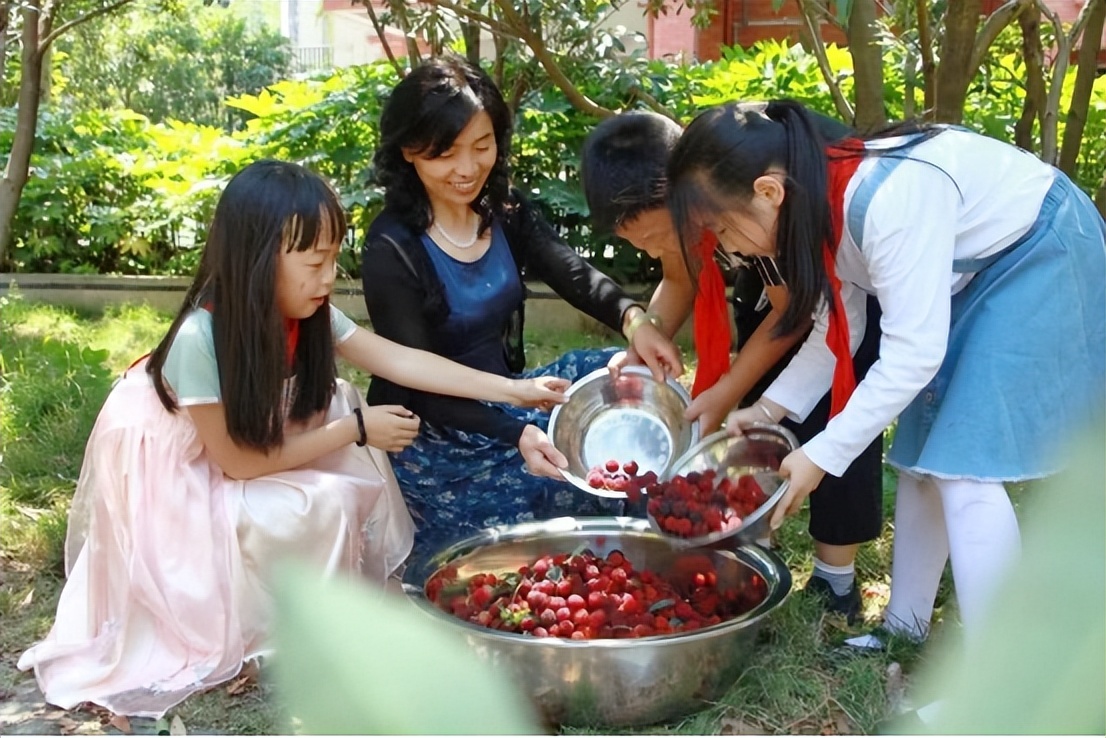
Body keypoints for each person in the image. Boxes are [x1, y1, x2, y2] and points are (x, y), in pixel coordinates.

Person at [17, 159, 568, 718]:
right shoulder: (199, 339)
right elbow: (236, 463)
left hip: (248, 435)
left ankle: (318, 607)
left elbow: (399, 360)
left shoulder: (308, 314)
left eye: (332, 259)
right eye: (314, 262)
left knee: (341, 405)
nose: (328, 278)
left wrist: (515, 390)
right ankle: (277, 624)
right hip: (183, 464)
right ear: (258, 259)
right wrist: (353, 431)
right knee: (326, 481)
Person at [664, 100, 1105, 649]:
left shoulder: (888, 202)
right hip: (979, 276)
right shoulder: (819, 204)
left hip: (1042, 252)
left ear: (768, 192)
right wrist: (767, 410)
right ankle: (905, 629)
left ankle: (1000, 677)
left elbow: (912, 356)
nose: (728, 248)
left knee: (965, 472)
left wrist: (823, 454)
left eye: (723, 229)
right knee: (924, 465)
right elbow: (837, 331)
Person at [362, 56, 682, 558]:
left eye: (482, 147)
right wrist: (517, 432)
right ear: (409, 151)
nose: (467, 169)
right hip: (441, 436)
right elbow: (416, 386)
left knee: (623, 376)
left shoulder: (501, 209)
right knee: (533, 517)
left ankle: (656, 535)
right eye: (445, 153)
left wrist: (633, 318)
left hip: (511, 399)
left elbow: (570, 271)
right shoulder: (391, 247)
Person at [580, 109, 883, 621]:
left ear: (682, 201)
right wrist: (645, 337)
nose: (651, 250)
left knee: (835, 421)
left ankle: (837, 577)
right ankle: (753, 534)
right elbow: (680, 278)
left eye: (654, 238)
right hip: (774, 296)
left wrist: (725, 391)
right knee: (764, 417)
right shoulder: (696, 216)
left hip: (836, 291)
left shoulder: (748, 207)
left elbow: (795, 310)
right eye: (639, 246)